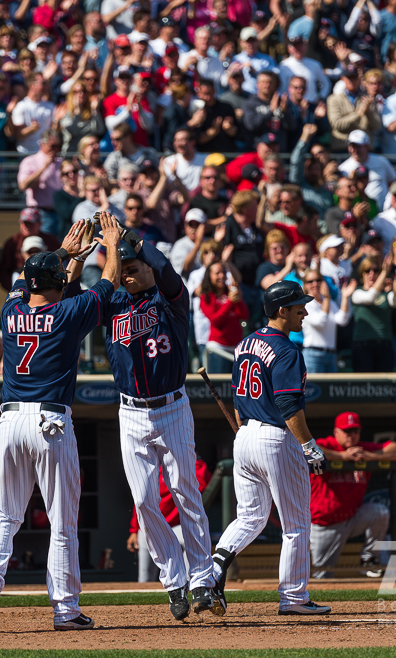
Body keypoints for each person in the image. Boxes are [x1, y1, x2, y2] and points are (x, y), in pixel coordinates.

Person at [0, 214, 122, 633]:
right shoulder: (67, 313)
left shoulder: (10, 308)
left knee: (5, 514)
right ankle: (66, 609)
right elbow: (107, 284)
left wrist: (62, 254)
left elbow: (36, 279)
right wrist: (109, 243)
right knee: (62, 520)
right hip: (50, 422)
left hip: (10, 421)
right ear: (57, 283)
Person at [100, 236, 223, 621]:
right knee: (143, 499)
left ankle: (202, 578)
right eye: (124, 270)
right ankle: (174, 582)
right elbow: (83, 292)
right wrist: (104, 251)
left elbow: (167, 272)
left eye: (134, 268)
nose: (129, 275)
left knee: (186, 490)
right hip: (131, 412)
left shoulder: (171, 300)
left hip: (171, 406)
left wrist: (135, 241)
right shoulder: (112, 303)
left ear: (148, 267)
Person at [211, 280, 330, 616]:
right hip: (275, 437)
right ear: (282, 311)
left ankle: (214, 568)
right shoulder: (288, 350)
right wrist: (309, 446)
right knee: (296, 524)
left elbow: (237, 397)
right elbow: (289, 404)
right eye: (298, 307)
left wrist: (245, 426)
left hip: (245, 435)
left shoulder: (245, 343)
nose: (304, 312)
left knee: (249, 517)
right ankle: (294, 598)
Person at [310, 412, 396, 579]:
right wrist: (342, 456)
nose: (352, 435)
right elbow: (305, 449)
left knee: (380, 512)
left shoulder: (362, 449)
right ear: (336, 432)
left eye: (355, 431)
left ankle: (369, 558)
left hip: (352, 518)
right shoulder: (327, 444)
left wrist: (370, 456)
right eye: (347, 431)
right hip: (324, 525)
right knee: (321, 576)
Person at [127, 459, 212, 583]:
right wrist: (134, 531)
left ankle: (190, 584)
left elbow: (201, 484)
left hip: (177, 525)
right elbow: (140, 502)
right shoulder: (153, 468)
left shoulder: (192, 465)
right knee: (145, 578)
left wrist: (190, 461)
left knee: (192, 539)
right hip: (150, 527)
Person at [351, 257, 396, 373]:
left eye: (375, 271)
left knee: (383, 387)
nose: (372, 274)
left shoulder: (385, 294)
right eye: (367, 271)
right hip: (363, 346)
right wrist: (385, 272)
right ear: (362, 274)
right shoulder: (357, 292)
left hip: (384, 345)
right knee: (364, 387)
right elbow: (370, 298)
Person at [199, 262, 248, 374]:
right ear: (209, 276)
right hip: (218, 349)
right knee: (220, 389)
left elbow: (244, 316)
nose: (221, 276)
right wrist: (230, 302)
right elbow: (215, 320)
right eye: (217, 273)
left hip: (236, 348)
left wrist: (238, 298)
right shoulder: (206, 297)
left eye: (223, 272)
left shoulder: (230, 292)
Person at [302, 271, 355, 374]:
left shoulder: (329, 302)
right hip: (313, 356)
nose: (315, 284)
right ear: (305, 284)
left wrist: (345, 297)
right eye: (310, 281)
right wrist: (326, 298)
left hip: (331, 355)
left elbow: (342, 320)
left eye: (318, 280)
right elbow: (320, 322)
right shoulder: (305, 303)